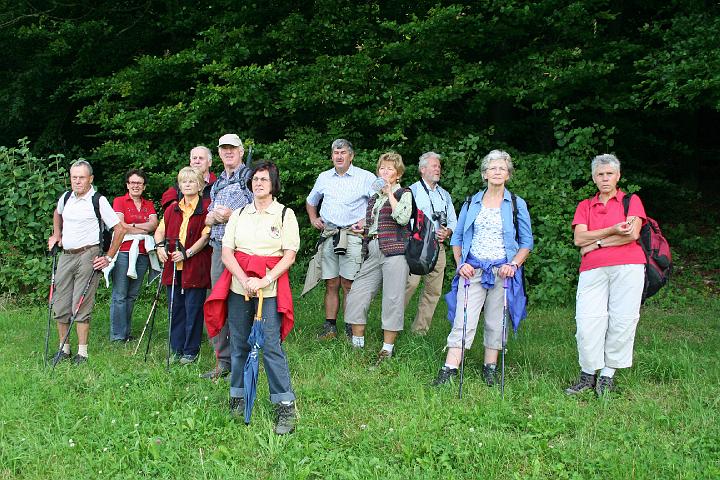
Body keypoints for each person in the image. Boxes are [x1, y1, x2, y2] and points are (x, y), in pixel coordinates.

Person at [431, 150, 533, 387]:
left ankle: (490, 368)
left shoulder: (517, 204)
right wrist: (461, 264)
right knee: (463, 318)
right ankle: (450, 368)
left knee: (496, 321)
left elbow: (526, 242)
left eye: (502, 168)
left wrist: (514, 264)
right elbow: (456, 238)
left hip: (503, 271)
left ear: (508, 174)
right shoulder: (471, 201)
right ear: (484, 174)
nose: (497, 172)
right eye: (492, 168)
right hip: (473, 269)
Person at [216, 161, 299, 435]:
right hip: (240, 288)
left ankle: (284, 405)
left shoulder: (285, 214)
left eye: (264, 179)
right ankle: (238, 398)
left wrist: (264, 280)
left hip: (270, 289)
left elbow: (289, 254)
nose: (258, 183)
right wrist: (243, 279)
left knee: (271, 346)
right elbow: (227, 252)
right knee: (239, 343)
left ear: (273, 184)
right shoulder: (239, 213)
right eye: (255, 179)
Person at [565, 154, 646, 397]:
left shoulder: (631, 201)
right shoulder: (585, 205)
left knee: (622, 320)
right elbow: (579, 239)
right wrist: (612, 231)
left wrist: (597, 243)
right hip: (592, 270)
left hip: (628, 266)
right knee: (587, 321)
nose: (605, 178)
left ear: (618, 176)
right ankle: (588, 374)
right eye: (600, 174)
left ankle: (608, 375)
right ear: (593, 178)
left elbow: (632, 234)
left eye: (609, 173)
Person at [47, 160, 126, 364]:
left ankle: (82, 353)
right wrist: (57, 235)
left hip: (88, 255)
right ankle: (64, 349)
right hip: (66, 254)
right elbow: (57, 213)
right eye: (74, 177)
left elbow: (120, 229)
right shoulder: (66, 197)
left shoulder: (98, 200)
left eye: (82, 177)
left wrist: (108, 257)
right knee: (60, 303)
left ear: (90, 179)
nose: (77, 181)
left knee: (80, 304)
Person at [344, 152, 413, 365]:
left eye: (390, 169)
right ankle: (357, 344)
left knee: (392, 299)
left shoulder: (404, 193)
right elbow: (373, 225)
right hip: (373, 249)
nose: (384, 172)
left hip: (395, 251)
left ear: (398, 174)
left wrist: (390, 194)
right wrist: (362, 227)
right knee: (357, 293)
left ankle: (387, 349)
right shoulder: (374, 198)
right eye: (382, 168)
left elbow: (402, 217)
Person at [306, 139, 376, 340]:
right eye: (335, 153)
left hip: (353, 236)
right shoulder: (324, 177)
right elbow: (311, 201)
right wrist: (313, 218)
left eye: (343, 152)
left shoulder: (365, 177)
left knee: (349, 283)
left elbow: (378, 202)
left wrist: (365, 221)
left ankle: (350, 326)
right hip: (329, 235)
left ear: (351, 156)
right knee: (331, 282)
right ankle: (330, 327)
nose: (339, 156)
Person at [201, 134, 254, 380]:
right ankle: (223, 360)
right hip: (217, 249)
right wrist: (212, 217)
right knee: (218, 301)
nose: (228, 152)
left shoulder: (251, 178)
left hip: (242, 251)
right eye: (224, 149)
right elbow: (208, 216)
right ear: (219, 153)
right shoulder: (217, 182)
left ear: (241, 151)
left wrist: (232, 214)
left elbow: (259, 212)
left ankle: (243, 358)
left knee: (241, 304)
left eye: (233, 148)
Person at [154, 167, 211, 365]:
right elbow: (159, 231)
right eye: (183, 182)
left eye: (192, 181)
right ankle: (176, 349)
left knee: (193, 310)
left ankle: (190, 351)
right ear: (179, 185)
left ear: (200, 185)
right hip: (173, 268)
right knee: (175, 309)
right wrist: (159, 247)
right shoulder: (172, 208)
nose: (187, 185)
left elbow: (205, 237)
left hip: (195, 267)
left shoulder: (206, 208)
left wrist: (187, 253)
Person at [404, 152, 458, 335]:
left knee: (433, 290)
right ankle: (391, 324)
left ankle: (420, 331)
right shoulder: (412, 191)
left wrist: (448, 231)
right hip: (417, 245)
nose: (438, 169)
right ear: (422, 169)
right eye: (434, 166)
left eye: (439, 167)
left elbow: (453, 221)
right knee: (409, 285)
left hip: (438, 246)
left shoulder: (444, 195)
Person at [109, 168, 159, 342]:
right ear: (127, 185)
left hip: (143, 252)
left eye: (139, 183)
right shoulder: (119, 201)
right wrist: (142, 227)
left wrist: (133, 226)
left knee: (132, 295)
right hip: (123, 251)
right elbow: (121, 226)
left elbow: (154, 225)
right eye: (133, 182)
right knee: (120, 294)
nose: (136, 186)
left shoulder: (149, 204)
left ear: (144, 186)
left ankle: (126, 333)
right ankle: (117, 336)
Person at [160, 146, 217, 210]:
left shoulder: (217, 184)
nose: (197, 161)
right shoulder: (183, 181)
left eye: (201, 158)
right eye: (194, 158)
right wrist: (175, 207)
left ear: (210, 163)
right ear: (190, 162)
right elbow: (167, 197)